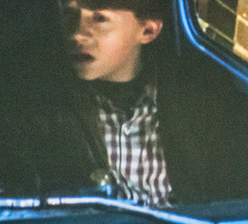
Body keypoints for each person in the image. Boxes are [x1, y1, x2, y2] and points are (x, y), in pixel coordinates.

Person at [61, 0, 191, 208]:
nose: (77, 34)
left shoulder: (185, 105)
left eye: (100, 19)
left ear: (148, 30)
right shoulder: (54, 109)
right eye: (70, 16)